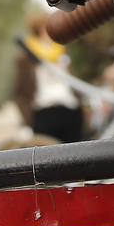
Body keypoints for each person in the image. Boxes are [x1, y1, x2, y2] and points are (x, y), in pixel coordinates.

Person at [13, 13, 85, 143]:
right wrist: (28, 120)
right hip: (44, 113)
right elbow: (20, 92)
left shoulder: (62, 52)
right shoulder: (27, 57)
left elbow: (73, 83)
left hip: (69, 110)